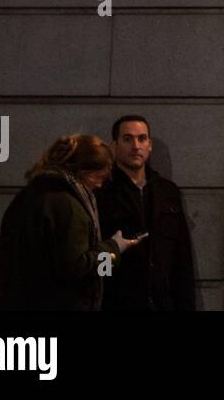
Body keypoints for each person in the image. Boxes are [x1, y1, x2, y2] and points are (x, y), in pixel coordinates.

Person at [0, 134, 140, 310]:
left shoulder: (27, 196)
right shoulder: (69, 206)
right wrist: (114, 250)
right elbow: (79, 269)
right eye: (99, 177)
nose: (99, 185)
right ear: (83, 172)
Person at [96, 115, 196, 310]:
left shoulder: (167, 192)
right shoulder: (101, 192)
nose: (136, 146)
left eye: (142, 139)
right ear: (114, 146)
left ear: (149, 145)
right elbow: (95, 254)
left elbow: (181, 259)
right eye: (127, 139)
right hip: (118, 302)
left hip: (161, 302)